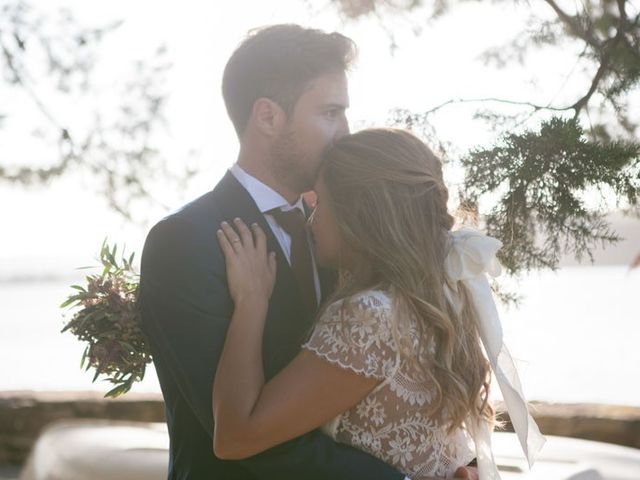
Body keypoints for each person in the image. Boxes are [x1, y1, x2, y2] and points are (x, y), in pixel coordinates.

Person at [140, 24, 476, 479]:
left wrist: (453, 461)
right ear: (267, 117)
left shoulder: (354, 234)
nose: (345, 132)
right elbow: (251, 444)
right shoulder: (187, 241)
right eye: (331, 112)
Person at [213, 128, 546, 479]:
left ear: (358, 215)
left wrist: (250, 302)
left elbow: (236, 437)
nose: (311, 220)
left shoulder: (370, 317)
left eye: (321, 203)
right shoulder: (442, 293)